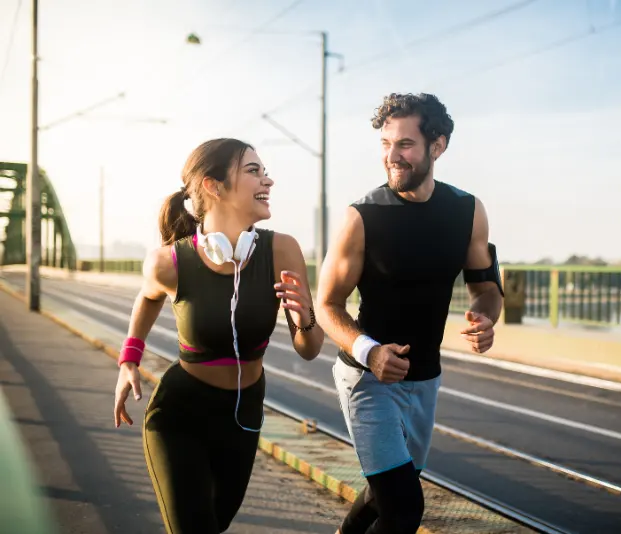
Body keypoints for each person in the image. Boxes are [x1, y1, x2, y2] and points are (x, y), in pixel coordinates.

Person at [112, 138, 324, 533]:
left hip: (243, 414)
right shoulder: (169, 261)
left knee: (215, 522)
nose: (269, 180)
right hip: (180, 413)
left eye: (265, 171)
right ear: (213, 186)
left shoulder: (282, 250)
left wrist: (304, 314)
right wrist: (129, 359)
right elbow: (148, 298)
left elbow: (309, 350)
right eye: (254, 171)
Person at [316, 93, 505, 534]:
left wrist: (486, 317)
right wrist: (370, 352)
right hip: (367, 377)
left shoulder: (468, 210)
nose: (391, 156)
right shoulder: (362, 216)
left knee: (386, 493)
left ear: (437, 146)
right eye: (385, 144)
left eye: (404, 145)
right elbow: (326, 305)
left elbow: (486, 290)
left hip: (426, 380)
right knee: (404, 508)